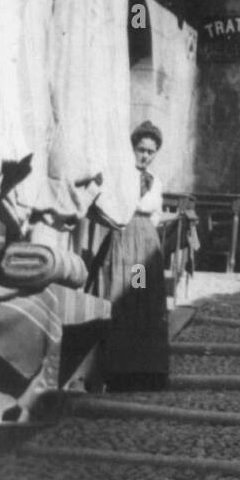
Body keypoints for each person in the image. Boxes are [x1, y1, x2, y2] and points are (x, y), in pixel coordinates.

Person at [92, 121, 170, 392]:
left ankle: (144, 370)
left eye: (151, 151)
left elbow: (154, 212)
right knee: (125, 296)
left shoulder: (155, 180)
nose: (145, 155)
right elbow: (126, 204)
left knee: (141, 297)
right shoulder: (122, 175)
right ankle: (119, 368)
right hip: (126, 241)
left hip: (145, 245)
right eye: (141, 149)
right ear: (132, 149)